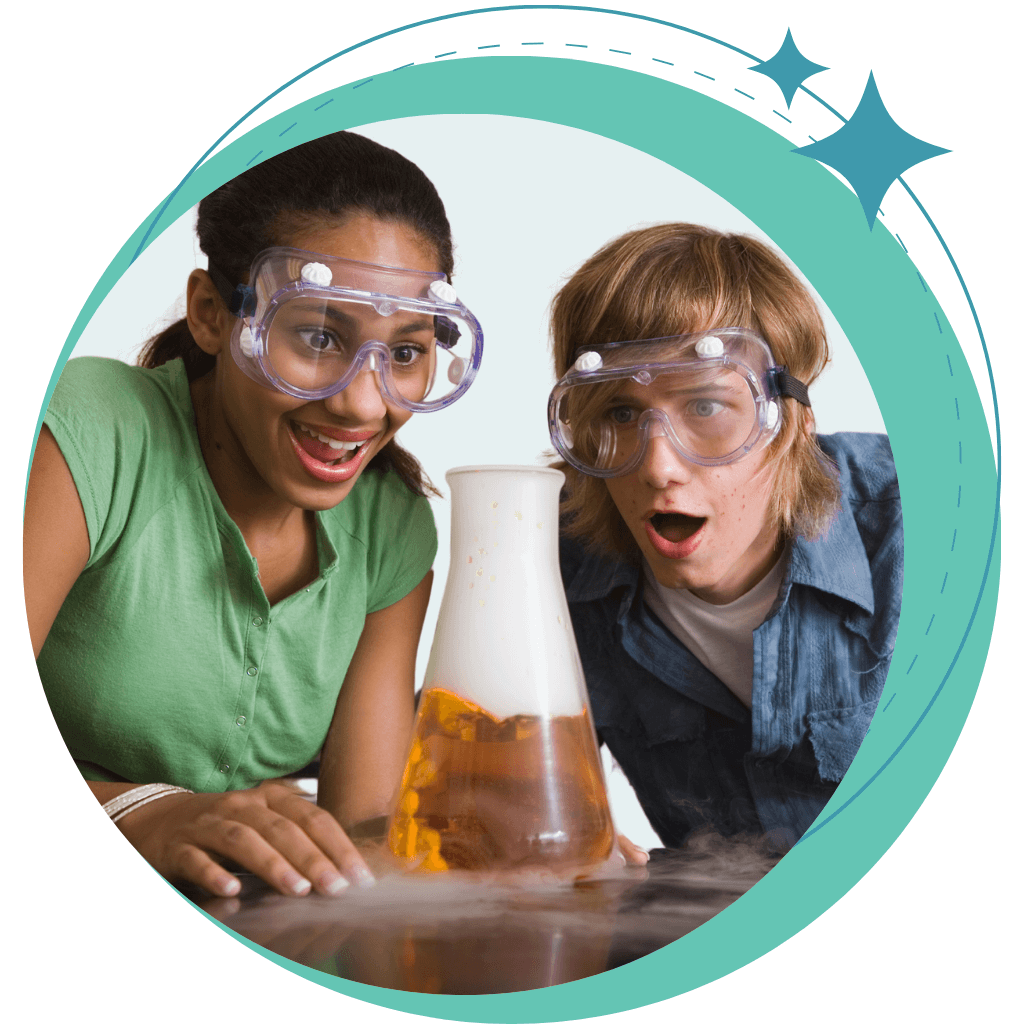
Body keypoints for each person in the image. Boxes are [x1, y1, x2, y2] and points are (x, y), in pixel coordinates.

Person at [24, 131, 485, 898]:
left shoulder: (392, 524)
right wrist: (141, 814)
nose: (362, 403)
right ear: (211, 314)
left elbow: (365, 826)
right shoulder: (96, 427)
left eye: (406, 353)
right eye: (315, 335)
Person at [547, 223, 903, 852]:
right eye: (621, 414)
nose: (658, 466)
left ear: (789, 419)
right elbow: (457, 758)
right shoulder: (555, 566)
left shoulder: (928, 533)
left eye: (707, 407)